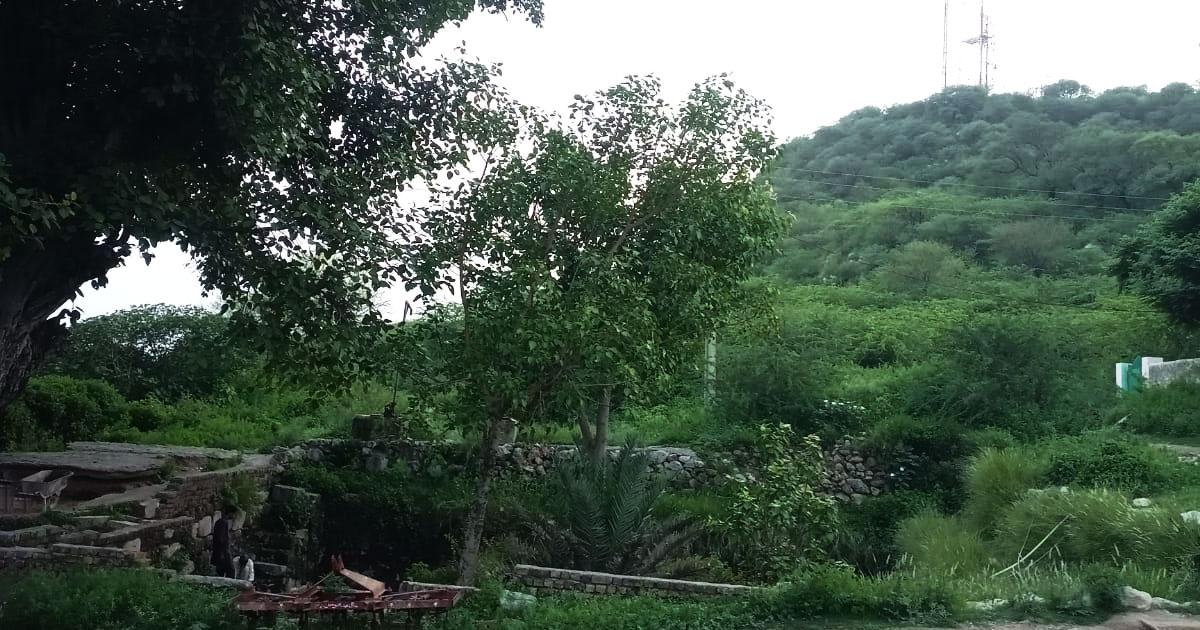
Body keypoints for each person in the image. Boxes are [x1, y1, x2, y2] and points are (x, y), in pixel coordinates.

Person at [211, 507, 236, 578]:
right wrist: (223, 553)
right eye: (233, 514)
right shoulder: (223, 522)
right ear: (230, 513)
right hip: (223, 552)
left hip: (219, 552)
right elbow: (220, 539)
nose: (234, 516)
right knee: (231, 570)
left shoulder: (219, 522)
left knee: (221, 571)